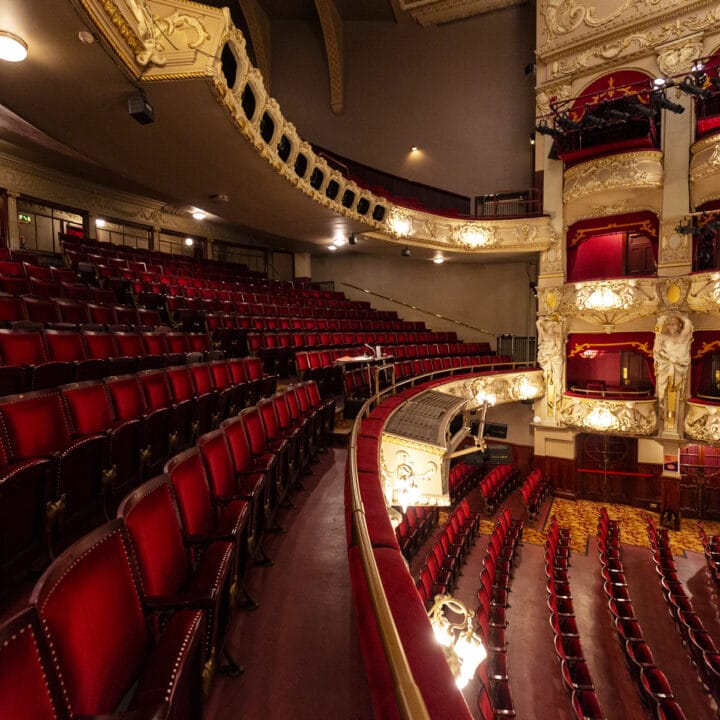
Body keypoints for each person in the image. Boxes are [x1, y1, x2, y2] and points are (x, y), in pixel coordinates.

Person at [653, 313, 692, 407]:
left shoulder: (682, 337)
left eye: (674, 324)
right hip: (665, 365)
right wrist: (660, 322)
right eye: (669, 324)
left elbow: (687, 329)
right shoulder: (663, 337)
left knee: (676, 387)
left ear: (679, 325)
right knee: (663, 385)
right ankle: (662, 400)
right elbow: (657, 344)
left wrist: (683, 317)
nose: (671, 327)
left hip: (679, 365)